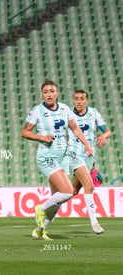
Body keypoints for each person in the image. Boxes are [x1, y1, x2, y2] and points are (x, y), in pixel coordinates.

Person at [21, 80, 93, 240]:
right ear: (42, 94)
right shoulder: (37, 111)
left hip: (63, 157)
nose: (49, 94)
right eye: (45, 91)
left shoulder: (65, 109)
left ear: (57, 93)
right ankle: (40, 209)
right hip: (47, 156)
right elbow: (24, 132)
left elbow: (75, 128)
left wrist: (87, 144)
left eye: (51, 91)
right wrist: (41, 137)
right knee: (68, 191)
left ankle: (39, 230)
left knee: (57, 201)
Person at [64, 89, 111, 234]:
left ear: (86, 101)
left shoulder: (94, 114)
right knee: (89, 186)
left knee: (71, 191)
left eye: (81, 99)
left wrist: (104, 136)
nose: (78, 101)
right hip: (74, 155)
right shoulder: (68, 115)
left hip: (89, 157)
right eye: (76, 98)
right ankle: (94, 222)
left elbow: (107, 131)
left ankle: (46, 210)